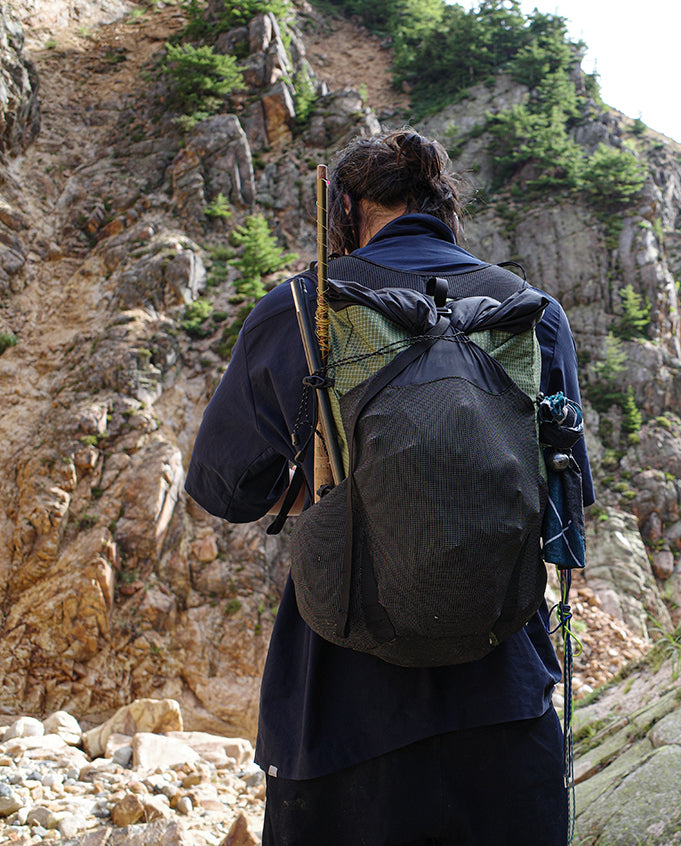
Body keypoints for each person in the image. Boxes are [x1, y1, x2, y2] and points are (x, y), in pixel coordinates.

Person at [184, 129, 594, 845]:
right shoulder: (532, 311)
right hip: (504, 696)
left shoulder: (305, 307)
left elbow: (224, 487)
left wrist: (329, 496)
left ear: (342, 209)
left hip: (341, 705)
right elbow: (565, 492)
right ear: (446, 206)